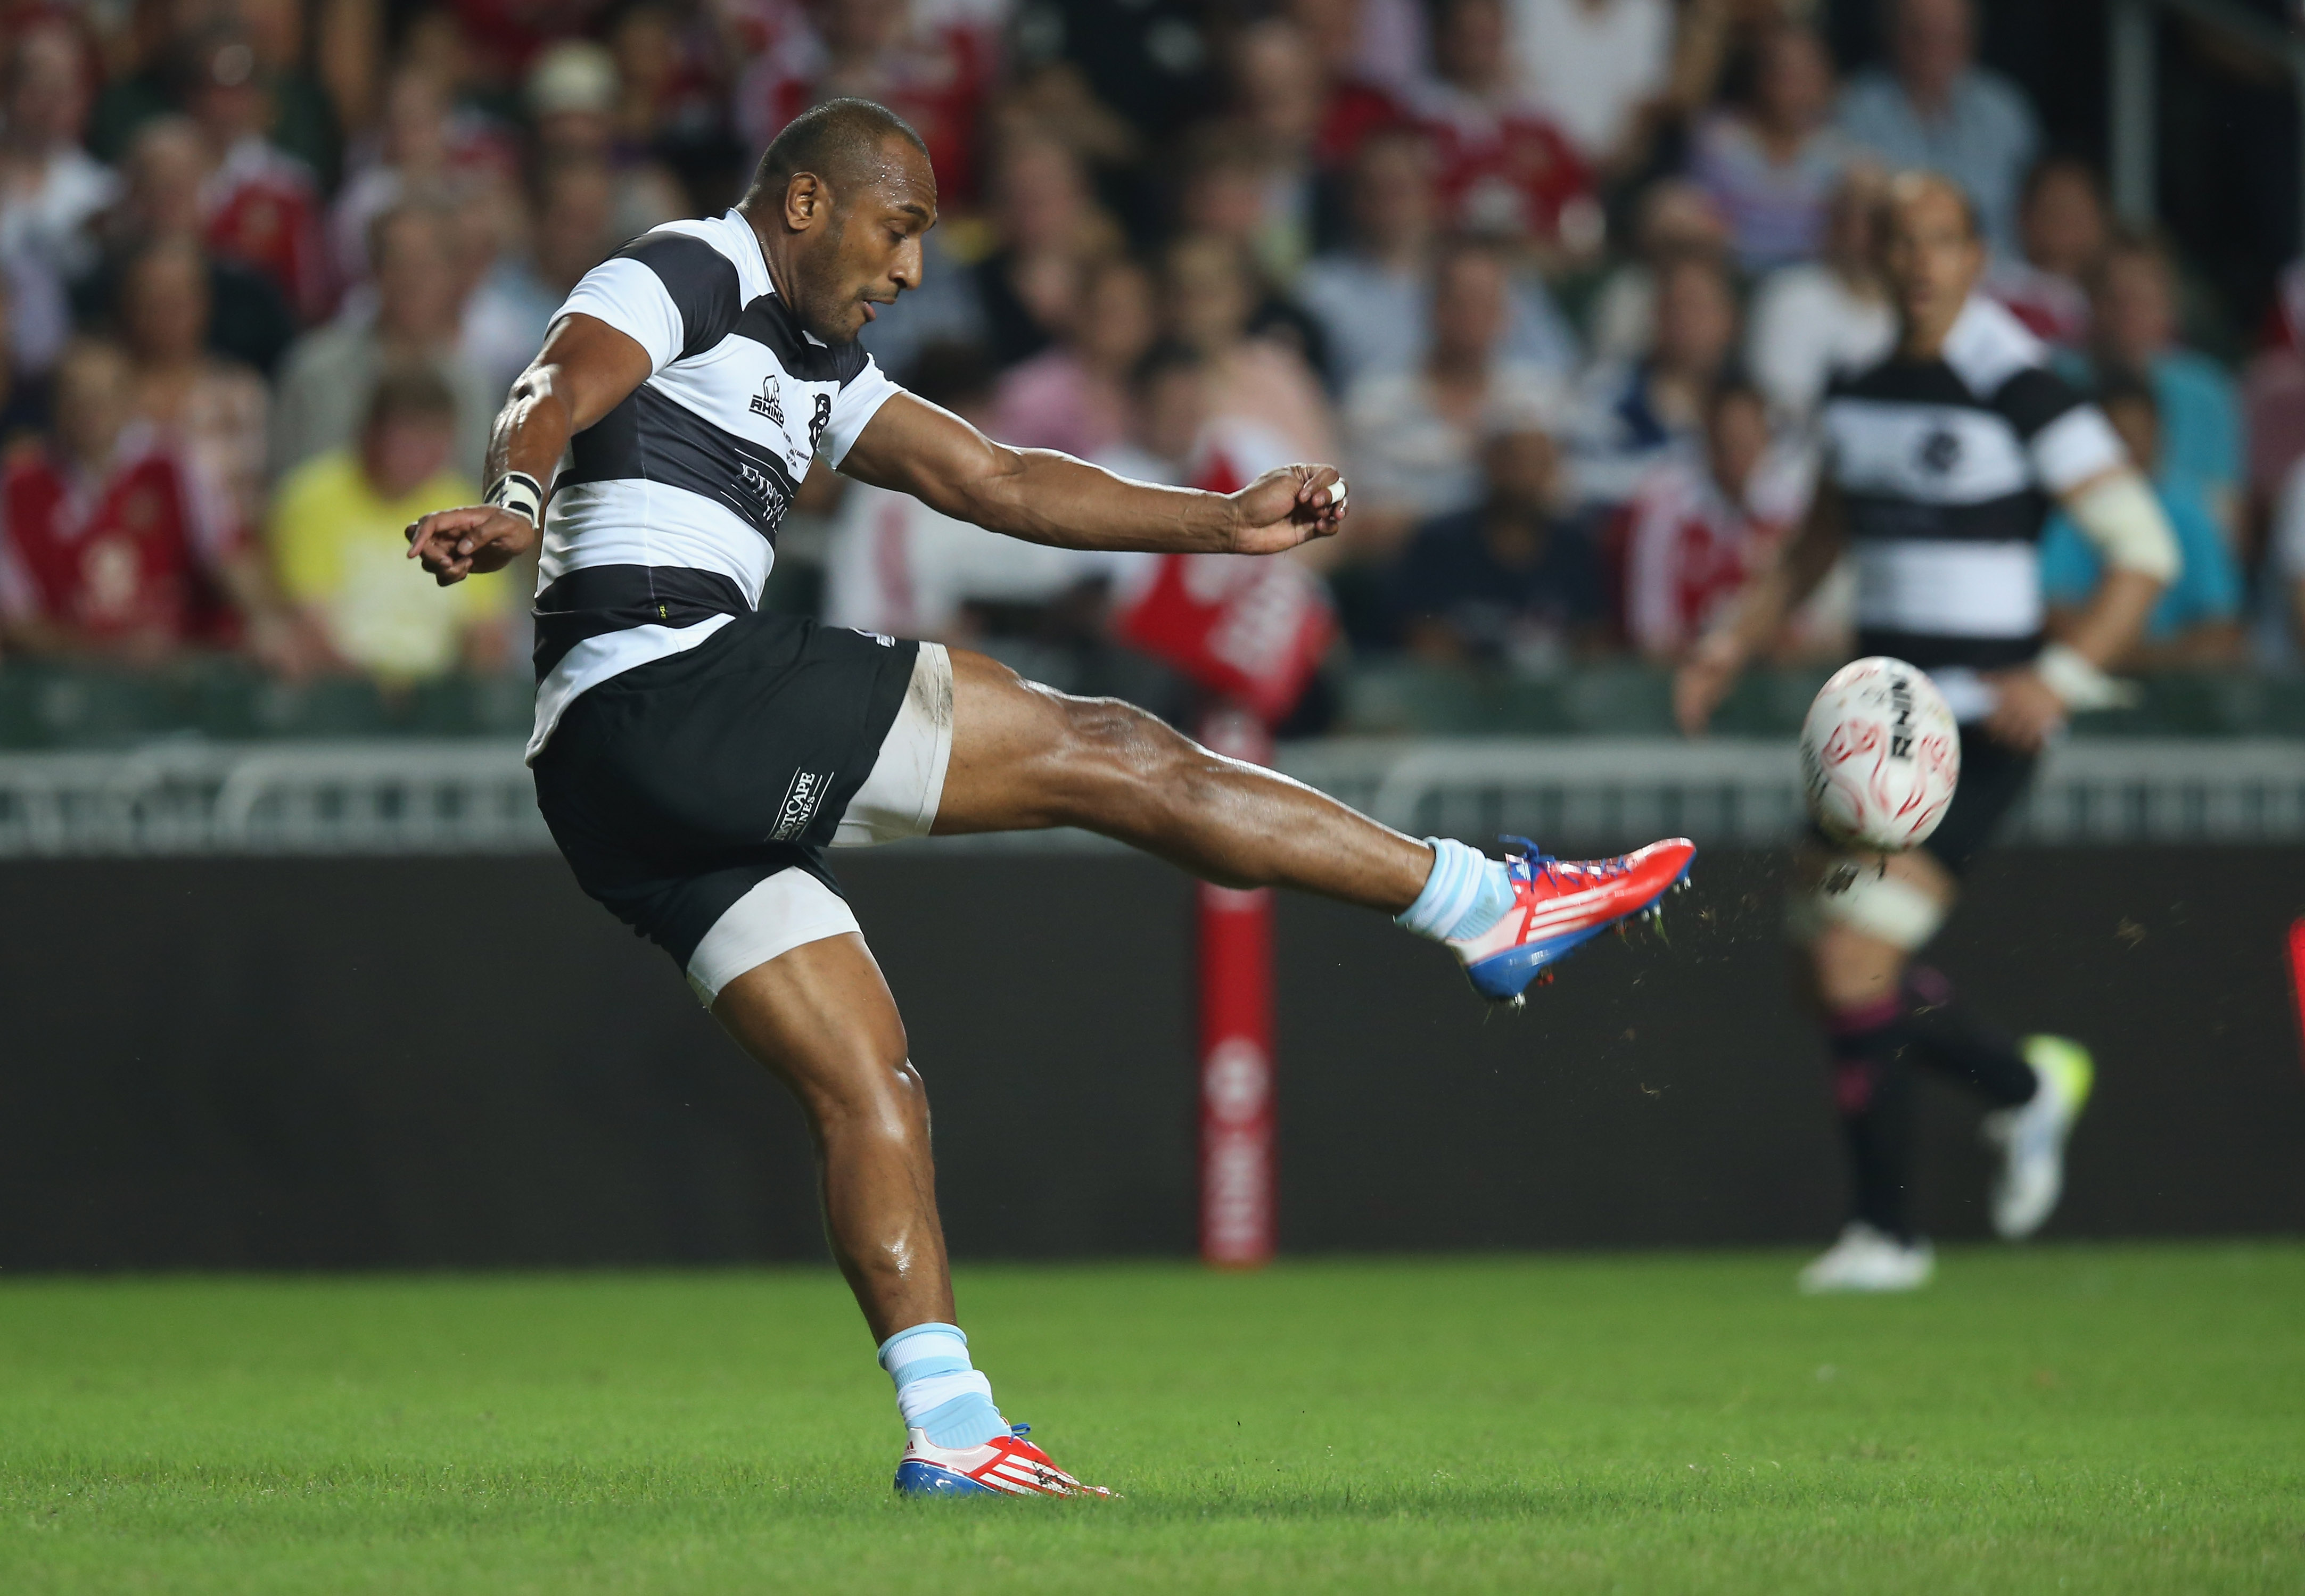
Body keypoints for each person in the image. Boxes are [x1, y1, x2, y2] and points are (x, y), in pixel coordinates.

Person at [404, 98, 1694, 1496]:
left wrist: (1219, 519)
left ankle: (954, 1430)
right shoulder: (692, 269)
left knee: (869, 1075)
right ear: (805, 205)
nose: (907, 270)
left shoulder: (818, 362)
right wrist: (520, 497)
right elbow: (560, 373)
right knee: (1118, 753)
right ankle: (1483, 902)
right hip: (676, 679)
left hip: (607, 779)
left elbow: (996, 477)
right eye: (896, 231)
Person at [1675, 173, 2177, 1293]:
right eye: (1898, 241)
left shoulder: (2022, 387)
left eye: (1939, 241)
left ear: (1973, 254)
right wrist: (1727, 641)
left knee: (1854, 957)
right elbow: (1814, 540)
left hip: (1969, 729)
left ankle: (1885, 1234)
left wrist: (2055, 673)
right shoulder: (1854, 384)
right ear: (1872, 254)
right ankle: (2019, 1084)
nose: (1917, 261)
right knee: (1823, 969)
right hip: (1870, 721)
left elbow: (2141, 549)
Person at [0, 339, 291, 665]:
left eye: (105, 395)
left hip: (178, 679)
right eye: (77, 396)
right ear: (54, 406)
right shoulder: (17, 491)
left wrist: (267, 623)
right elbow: (15, 624)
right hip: (67, 686)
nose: (91, 409)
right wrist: (109, 654)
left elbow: (230, 558)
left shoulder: (175, 467)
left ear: (130, 400)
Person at [271, 363, 508, 682]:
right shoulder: (310, 500)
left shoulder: (463, 508)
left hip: (441, 708)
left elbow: (486, 629)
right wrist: (379, 699)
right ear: (370, 433)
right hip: (338, 699)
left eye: (432, 441)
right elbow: (307, 627)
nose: (418, 455)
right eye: (408, 438)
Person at [1296, 126, 1578, 393]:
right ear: (1352, 199)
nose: (1388, 205)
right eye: (1372, 189)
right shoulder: (1321, 292)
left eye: (1400, 188)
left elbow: (1557, 368)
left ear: (1432, 193)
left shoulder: (1495, 274)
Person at [1343, 239, 1562, 550]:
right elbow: (1364, 524)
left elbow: (1558, 507)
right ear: (1433, 308)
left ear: (1507, 314)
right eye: (1461, 302)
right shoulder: (1375, 403)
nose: (1474, 317)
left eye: (1487, 303)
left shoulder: (1538, 398)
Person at [271, 201, 496, 486]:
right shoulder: (314, 374)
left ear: (456, 277)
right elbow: (288, 496)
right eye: (398, 263)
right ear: (374, 272)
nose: (412, 281)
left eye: (427, 265)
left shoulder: (475, 389)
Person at [2040, 372, 2243, 669]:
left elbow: (2224, 628)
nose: (2132, 447)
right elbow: (2054, 618)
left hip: (2179, 685)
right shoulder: (2069, 515)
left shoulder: (2191, 514)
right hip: (2091, 680)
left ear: (2161, 434)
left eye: (2142, 433)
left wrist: (2145, 660)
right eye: (2120, 434)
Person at [1621, 377, 1815, 661]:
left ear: (1767, 439)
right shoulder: (1665, 508)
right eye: (1727, 438)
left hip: (1771, 677)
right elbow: (1652, 632)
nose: (1737, 452)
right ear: (1708, 438)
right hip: (1684, 672)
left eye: (1748, 439)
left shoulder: (1792, 512)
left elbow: (1812, 629)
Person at [1386, 424, 1607, 669]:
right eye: (1515, 462)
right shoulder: (1441, 542)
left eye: (1539, 464)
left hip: (1552, 694)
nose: (1525, 476)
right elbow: (1423, 633)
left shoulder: (1574, 545)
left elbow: (1592, 637)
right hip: (1462, 694)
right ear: (1489, 464)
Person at [2071, 236, 2244, 544]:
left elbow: (2228, 516)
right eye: (2114, 300)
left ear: (2169, 306)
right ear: (2091, 304)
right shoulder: (2058, 379)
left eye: (2141, 301)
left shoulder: (2208, 390)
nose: (2127, 315)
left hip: (2188, 557)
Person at [1835, 0, 2038, 254]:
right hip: (1891, 281)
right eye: (1918, 33)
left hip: (1995, 277)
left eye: (1947, 35)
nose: (1932, 48)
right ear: (1891, 35)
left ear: (1970, 38)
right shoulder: (1855, 109)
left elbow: (2037, 216)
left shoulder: (2005, 112)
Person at [1567, 251, 1740, 509]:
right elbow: (1577, 479)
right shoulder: (1606, 390)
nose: (1685, 321)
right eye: (1674, 307)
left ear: (1730, 320)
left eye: (1698, 308)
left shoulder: (1758, 411)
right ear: (1654, 316)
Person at [1688, 23, 1854, 274]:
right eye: (1786, 74)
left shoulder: (1839, 153)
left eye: (1809, 75)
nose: (1800, 89)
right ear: (1760, 78)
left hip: (1813, 283)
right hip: (1727, 277)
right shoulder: (1720, 140)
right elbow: (1698, 219)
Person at [1744, 163, 1896, 424]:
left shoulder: (1916, 310)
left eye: (1884, 217)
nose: (1876, 230)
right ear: (1834, 220)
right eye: (1864, 214)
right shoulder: (1791, 297)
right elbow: (1779, 412)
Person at [1987, 157, 2109, 350]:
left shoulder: (2122, 299)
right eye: (2055, 211)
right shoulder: (1995, 297)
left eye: (2078, 212)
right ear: (2023, 217)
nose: (2067, 225)